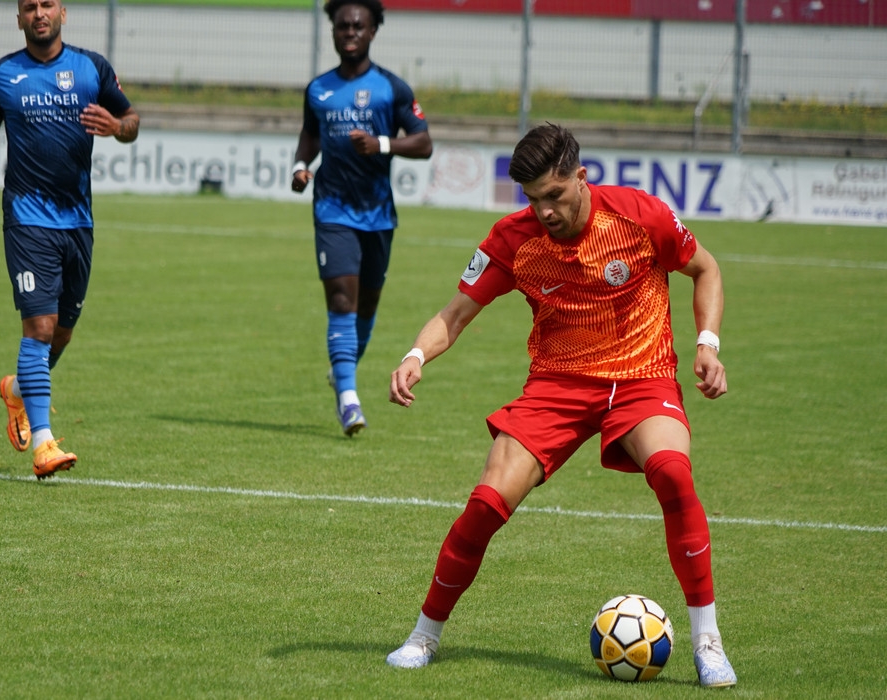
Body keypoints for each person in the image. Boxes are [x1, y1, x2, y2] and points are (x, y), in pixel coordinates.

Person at [385, 124, 737, 688]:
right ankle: (423, 636)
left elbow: (706, 269)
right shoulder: (513, 239)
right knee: (485, 503)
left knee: (673, 474)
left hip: (641, 378)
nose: (545, 211)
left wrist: (707, 345)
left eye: (554, 195)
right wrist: (415, 355)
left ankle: (709, 643)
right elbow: (454, 314)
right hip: (557, 386)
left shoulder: (639, 216)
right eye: (533, 199)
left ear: (581, 177)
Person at [0, 0, 139, 479]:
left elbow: (132, 120)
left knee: (62, 333)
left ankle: (16, 390)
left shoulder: (92, 68)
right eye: (30, 6)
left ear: (62, 13)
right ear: (19, 18)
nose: (39, 13)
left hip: (78, 220)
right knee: (38, 326)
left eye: (47, 4)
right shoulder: (3, 73)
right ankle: (43, 444)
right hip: (26, 218)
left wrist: (117, 127)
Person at [290, 0, 432, 436]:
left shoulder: (392, 88)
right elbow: (310, 134)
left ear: (372, 32)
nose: (349, 32)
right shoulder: (318, 89)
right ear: (333, 31)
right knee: (341, 301)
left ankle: (343, 370)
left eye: (358, 26)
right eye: (342, 26)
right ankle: (348, 399)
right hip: (332, 208)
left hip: (377, 213)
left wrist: (381, 145)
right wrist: (301, 166)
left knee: (367, 304)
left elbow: (423, 143)